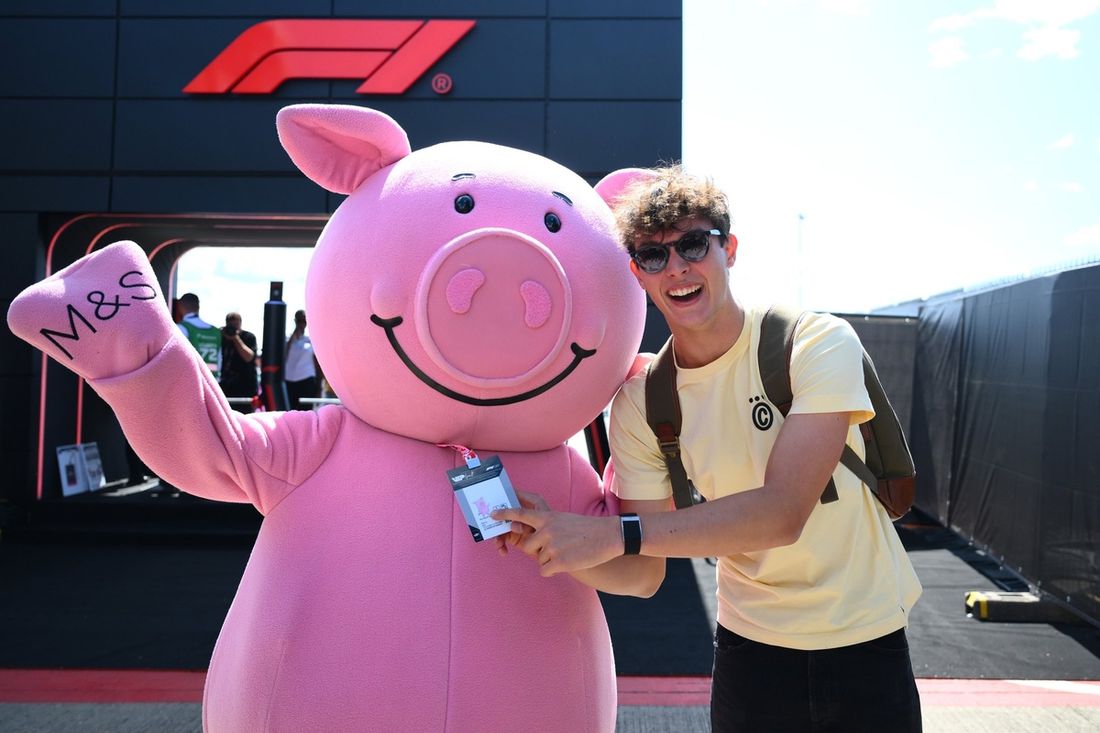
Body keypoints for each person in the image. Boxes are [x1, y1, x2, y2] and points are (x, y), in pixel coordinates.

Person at [494, 165, 923, 732]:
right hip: (751, 655)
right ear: (637, 274)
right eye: (653, 256)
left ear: (731, 249)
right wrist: (556, 544)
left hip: (865, 641)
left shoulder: (815, 342)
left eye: (694, 244)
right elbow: (642, 575)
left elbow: (782, 514)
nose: (676, 267)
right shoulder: (643, 402)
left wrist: (606, 535)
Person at [219, 312, 258, 413]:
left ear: (240, 324)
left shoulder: (249, 337)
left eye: (235, 325)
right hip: (226, 387)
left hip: (245, 388)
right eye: (230, 325)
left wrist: (236, 338)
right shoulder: (221, 337)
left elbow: (249, 357)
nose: (232, 328)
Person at [176, 292, 221, 377]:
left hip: (192, 381)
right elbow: (219, 360)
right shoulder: (216, 332)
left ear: (180, 307)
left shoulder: (181, 328)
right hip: (213, 382)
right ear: (198, 307)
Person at [284, 309, 322, 410]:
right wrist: (294, 334)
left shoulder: (312, 339)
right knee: (290, 411)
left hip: (307, 380)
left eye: (304, 321)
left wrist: (319, 387)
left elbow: (318, 365)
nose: (301, 323)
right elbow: (284, 355)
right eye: (299, 321)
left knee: (305, 412)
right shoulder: (287, 339)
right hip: (289, 381)